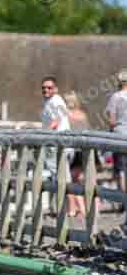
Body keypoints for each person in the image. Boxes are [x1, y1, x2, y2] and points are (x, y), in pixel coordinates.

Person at [41, 76, 78, 217]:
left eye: (49, 87)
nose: (46, 90)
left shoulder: (54, 100)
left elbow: (56, 121)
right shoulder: (53, 101)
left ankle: (72, 208)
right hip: (62, 143)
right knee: (63, 176)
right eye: (43, 88)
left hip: (58, 144)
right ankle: (70, 208)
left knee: (62, 177)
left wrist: (43, 135)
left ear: (55, 89)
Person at [64, 91, 89, 218]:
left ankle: (75, 209)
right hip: (83, 150)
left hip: (73, 150)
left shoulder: (67, 115)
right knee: (78, 182)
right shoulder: (83, 115)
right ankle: (82, 209)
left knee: (71, 182)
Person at [105, 70, 127, 199]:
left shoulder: (116, 97)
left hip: (120, 136)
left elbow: (112, 121)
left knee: (121, 170)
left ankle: (124, 200)